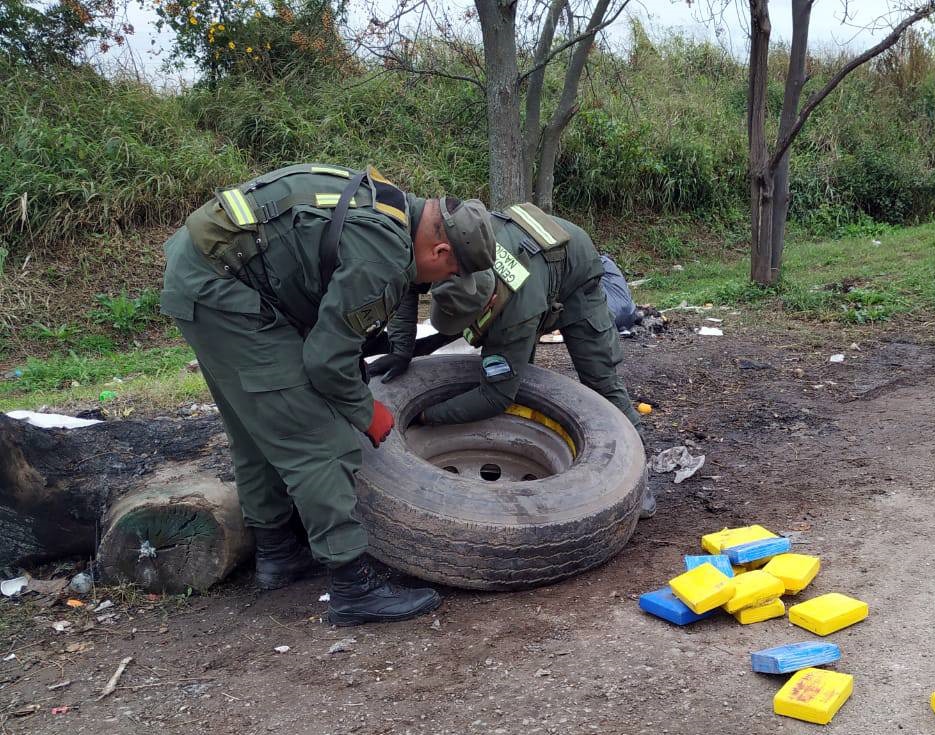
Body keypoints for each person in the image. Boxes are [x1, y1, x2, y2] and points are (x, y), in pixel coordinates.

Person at [160, 163, 496, 625]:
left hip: (207, 273)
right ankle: (353, 587)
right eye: (447, 272)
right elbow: (325, 361)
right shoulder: (384, 253)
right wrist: (365, 412)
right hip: (224, 293)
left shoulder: (392, 205)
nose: (437, 282)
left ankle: (278, 555)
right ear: (440, 250)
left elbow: (327, 311)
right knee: (318, 438)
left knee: (260, 426)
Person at [366, 201, 657, 518]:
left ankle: (638, 478)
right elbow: (410, 281)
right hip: (527, 257)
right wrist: (402, 347)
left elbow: (495, 396)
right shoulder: (460, 252)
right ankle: (508, 441)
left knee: (600, 380)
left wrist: (423, 417)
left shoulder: (516, 312)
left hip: (575, 273)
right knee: (517, 369)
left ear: (489, 304)